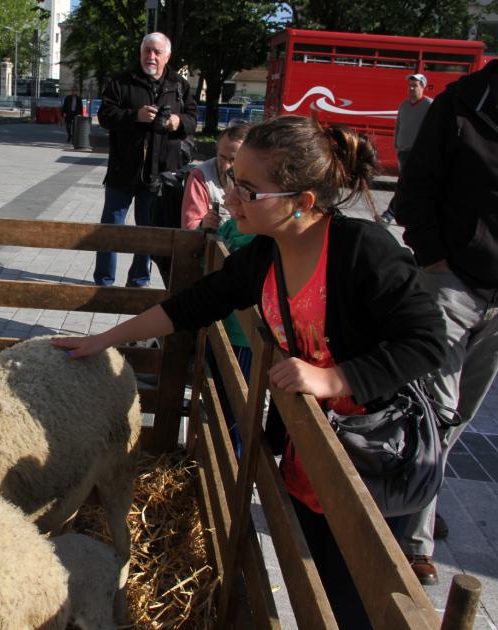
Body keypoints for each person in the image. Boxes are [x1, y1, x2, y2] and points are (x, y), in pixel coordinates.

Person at [54, 115, 447, 628]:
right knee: (313, 577)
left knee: (355, 594)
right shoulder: (265, 253)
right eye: (232, 179)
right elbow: (194, 304)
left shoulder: (363, 250)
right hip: (309, 448)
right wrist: (103, 340)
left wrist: (334, 379)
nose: (230, 198)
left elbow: (428, 341)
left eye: (248, 189)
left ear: (302, 202)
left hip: (373, 457)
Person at [393, 59, 498, 587]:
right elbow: (416, 187)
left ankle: (414, 506)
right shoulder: (460, 104)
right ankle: (414, 540)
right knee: (435, 408)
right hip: (453, 281)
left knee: (460, 418)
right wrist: (435, 260)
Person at [94, 31, 198, 288]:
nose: (151, 56)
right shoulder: (121, 82)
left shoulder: (179, 85)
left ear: (167, 56)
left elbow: (193, 120)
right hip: (123, 171)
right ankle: (104, 282)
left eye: (157, 52)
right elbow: (105, 116)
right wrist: (135, 116)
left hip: (159, 173)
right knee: (111, 229)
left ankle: (139, 282)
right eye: (147, 51)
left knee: (149, 231)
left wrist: (177, 121)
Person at [381, 73, 433, 224]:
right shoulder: (404, 104)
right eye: (409, 85)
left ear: (423, 87)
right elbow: (399, 124)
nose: (411, 88)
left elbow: (434, 128)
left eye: (415, 85)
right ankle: (410, 215)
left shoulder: (429, 105)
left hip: (418, 152)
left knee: (405, 183)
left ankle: (389, 214)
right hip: (403, 151)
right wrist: (396, 143)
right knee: (411, 185)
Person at [181, 122, 251, 231]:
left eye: (233, 160)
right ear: (217, 150)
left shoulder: (257, 179)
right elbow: (190, 228)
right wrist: (203, 224)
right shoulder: (200, 177)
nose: (226, 166)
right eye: (222, 157)